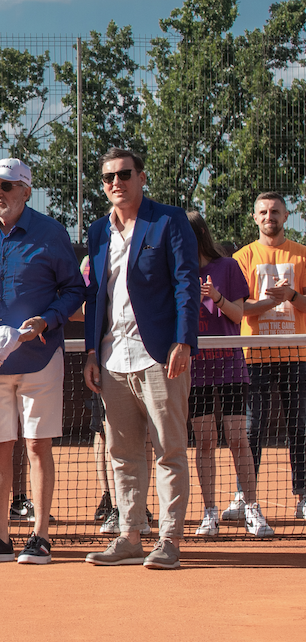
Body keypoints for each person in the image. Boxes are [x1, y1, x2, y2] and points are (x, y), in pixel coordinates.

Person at [0, 158, 84, 565]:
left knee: (37, 446)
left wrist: (47, 320)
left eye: (7, 186)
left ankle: (40, 537)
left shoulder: (51, 233)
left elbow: (74, 290)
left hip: (39, 357)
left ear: (26, 191)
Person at [82, 148, 198, 571]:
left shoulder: (169, 220)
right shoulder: (98, 231)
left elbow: (186, 283)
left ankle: (169, 539)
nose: (116, 182)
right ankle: (130, 536)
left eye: (124, 174)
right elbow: (96, 294)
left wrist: (183, 341)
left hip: (160, 357)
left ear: (142, 177)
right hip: (112, 358)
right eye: (108, 177)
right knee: (123, 453)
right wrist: (91, 351)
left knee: (169, 450)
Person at [186, 210, 270, 537]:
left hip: (230, 364)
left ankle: (252, 508)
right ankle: (209, 513)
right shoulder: (177, 270)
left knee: (237, 438)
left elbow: (238, 315)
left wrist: (216, 297)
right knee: (205, 441)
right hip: (196, 367)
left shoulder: (228, 267)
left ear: (197, 235)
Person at [234, 191, 306, 521]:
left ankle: (303, 496)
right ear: (254, 217)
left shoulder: (301, 255)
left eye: (275, 211)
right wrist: (267, 303)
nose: (269, 216)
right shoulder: (243, 257)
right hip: (255, 355)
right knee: (251, 430)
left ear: (286, 215)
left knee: (300, 428)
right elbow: (237, 307)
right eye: (262, 212)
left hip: (296, 355)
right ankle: (244, 496)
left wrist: (291, 295)